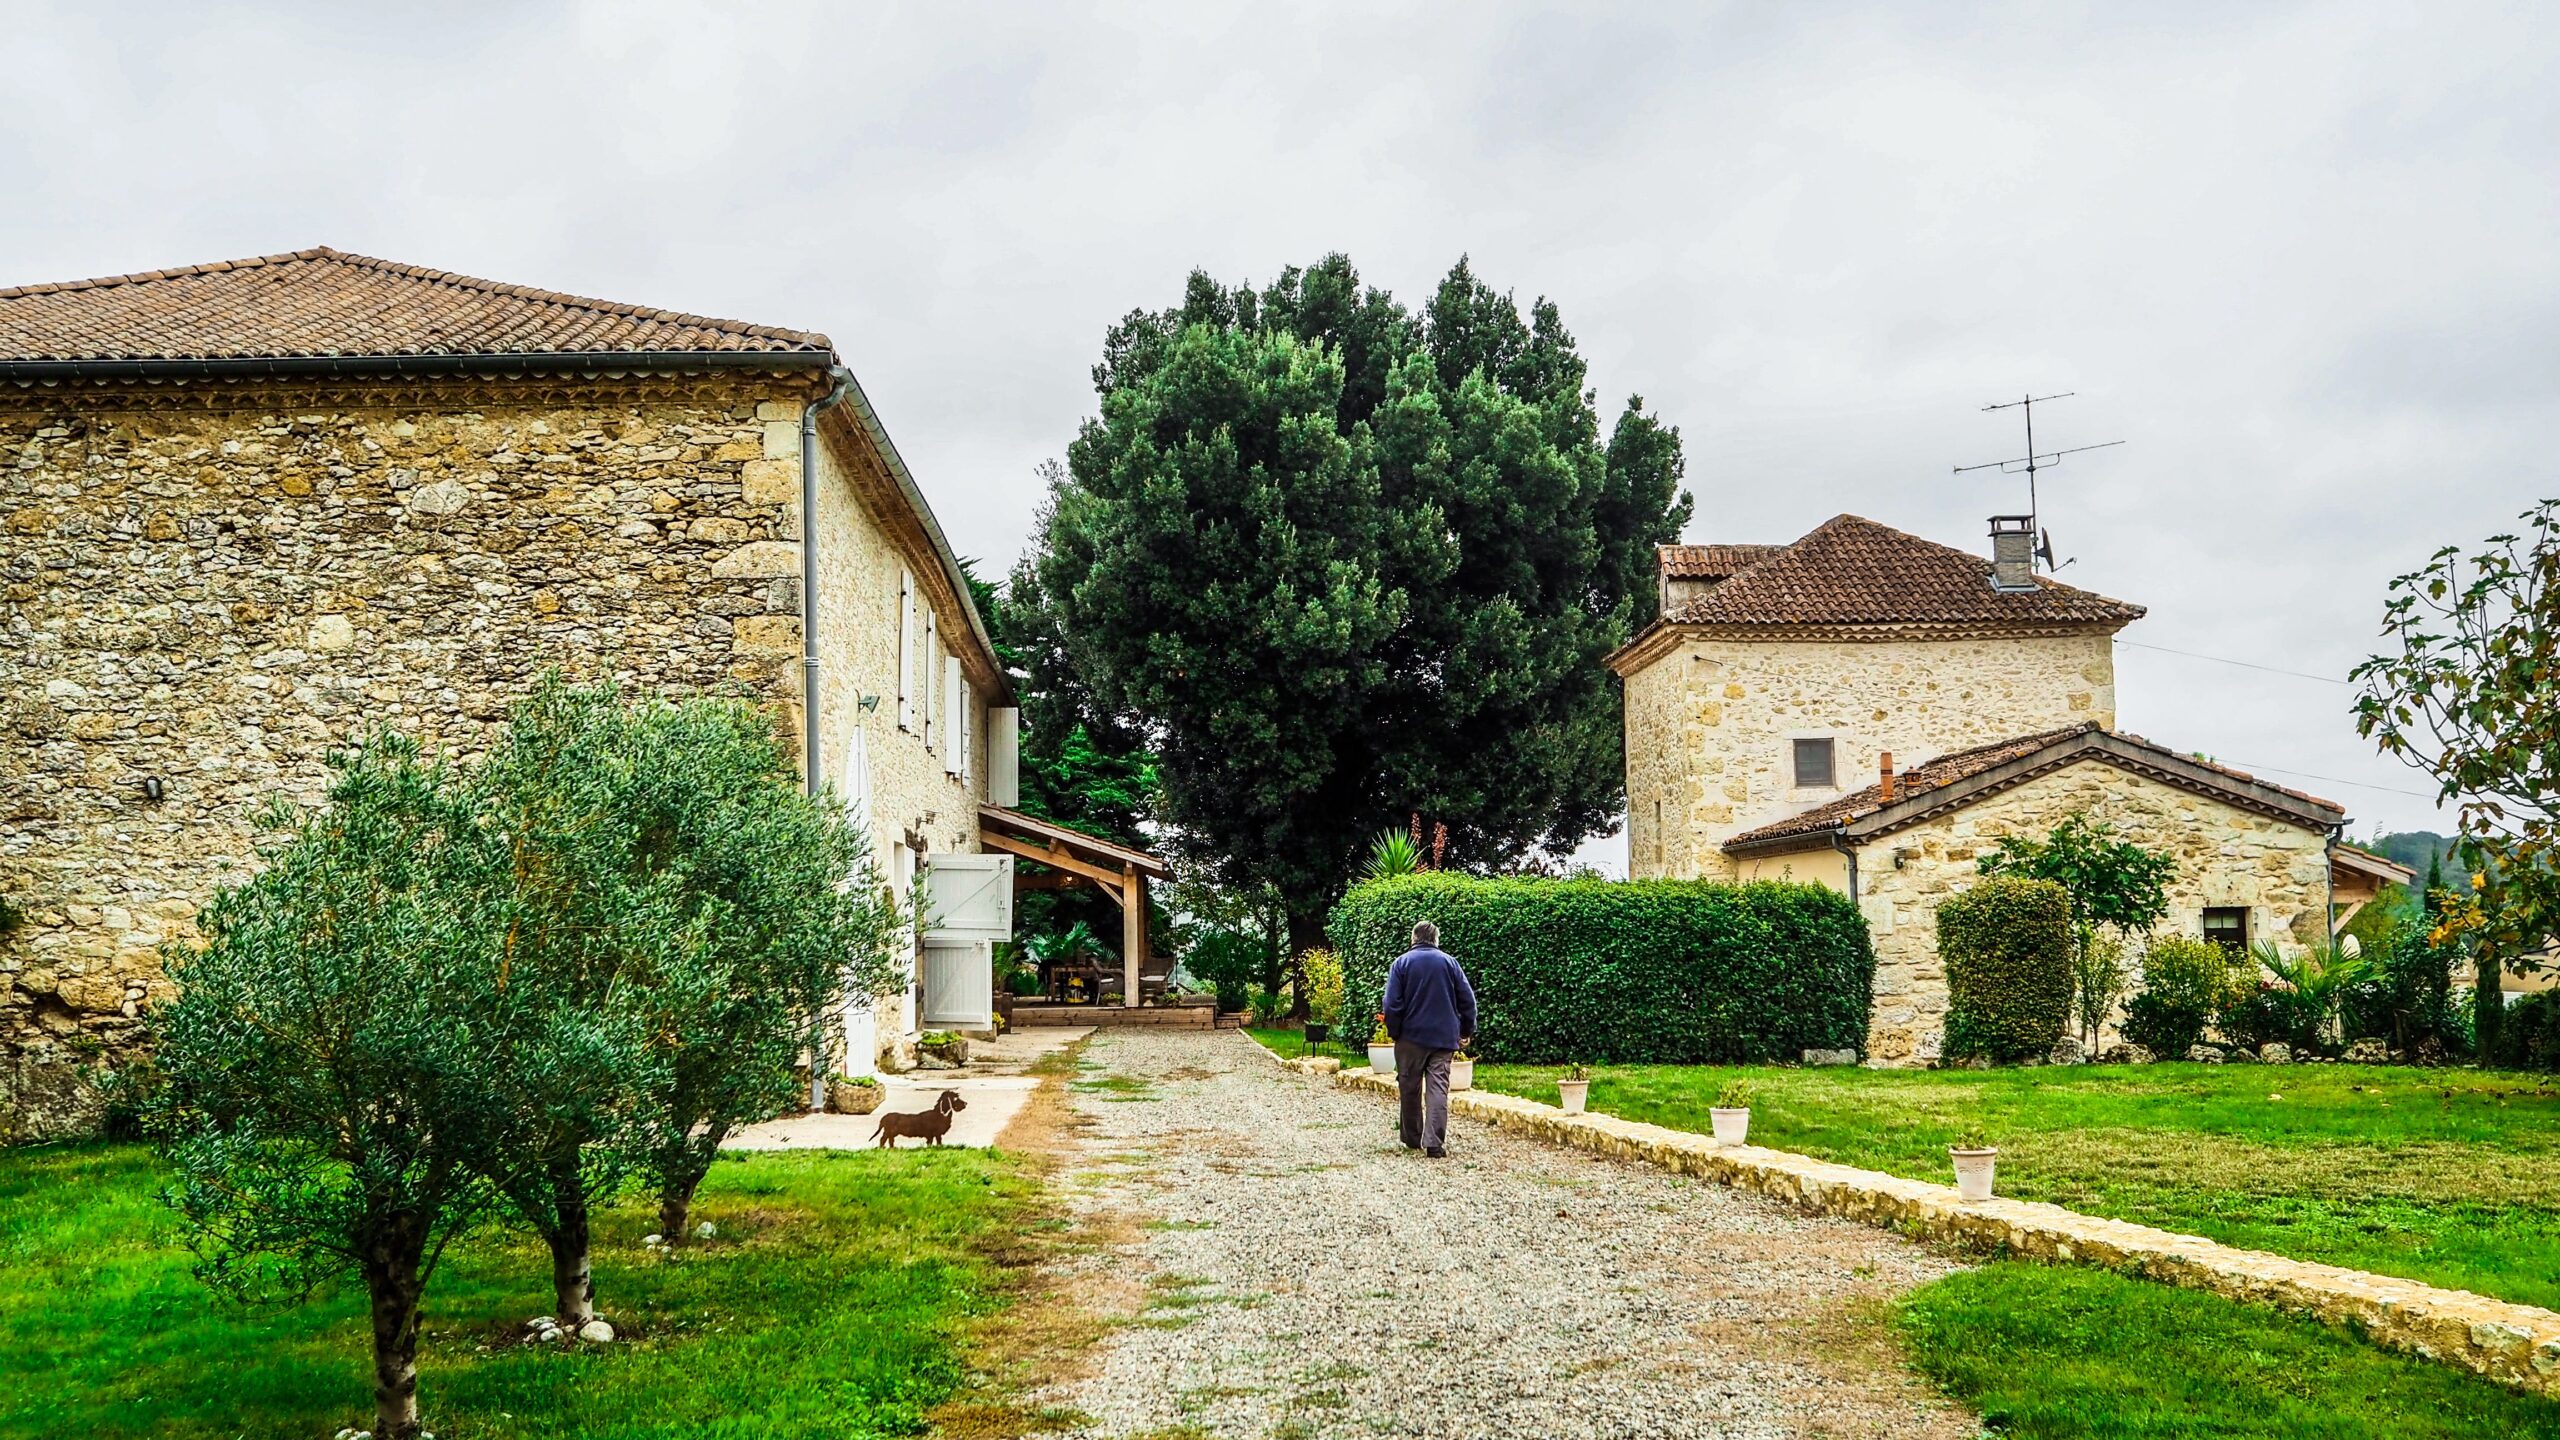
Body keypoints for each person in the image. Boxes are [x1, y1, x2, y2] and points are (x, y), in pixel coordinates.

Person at [1381, 919, 1476, 1158]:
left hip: (1410, 1038)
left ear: (1413, 939)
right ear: (1436, 940)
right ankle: (1434, 1143)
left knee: (1409, 1086)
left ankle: (1413, 1138)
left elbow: (1391, 1004)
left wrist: (1395, 1032)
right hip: (1443, 1038)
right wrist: (1465, 1031)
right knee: (1438, 1089)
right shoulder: (1450, 963)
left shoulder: (1401, 963)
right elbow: (1468, 1001)